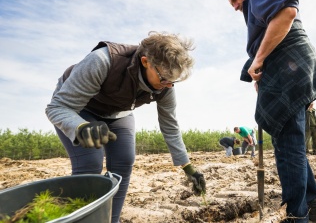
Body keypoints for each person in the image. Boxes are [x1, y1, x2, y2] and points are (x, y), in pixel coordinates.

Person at [45, 31, 207, 223]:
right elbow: (57, 107)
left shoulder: (166, 87)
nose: (168, 86)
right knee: (91, 162)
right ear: (146, 62)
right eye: (164, 79)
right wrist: (81, 127)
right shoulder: (103, 60)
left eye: (174, 81)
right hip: (78, 109)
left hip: (117, 113)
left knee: (124, 159)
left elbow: (170, 126)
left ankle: (112, 220)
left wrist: (188, 167)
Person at [226, 0, 316, 222]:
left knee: (289, 147)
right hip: (281, 72)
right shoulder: (252, 9)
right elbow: (267, 35)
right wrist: (261, 71)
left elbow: (286, 13)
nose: (235, 5)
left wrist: (260, 59)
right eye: (231, 4)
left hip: (290, 67)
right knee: (286, 143)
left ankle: (297, 216)